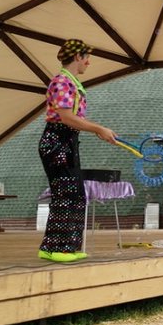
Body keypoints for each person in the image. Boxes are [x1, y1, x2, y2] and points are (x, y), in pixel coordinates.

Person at [38, 39, 117, 263]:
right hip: (57, 141)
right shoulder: (61, 82)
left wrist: (98, 131)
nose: (88, 63)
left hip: (68, 142)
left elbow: (72, 120)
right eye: (86, 58)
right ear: (77, 57)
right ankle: (57, 248)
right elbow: (66, 117)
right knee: (67, 194)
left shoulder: (71, 83)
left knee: (76, 194)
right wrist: (99, 129)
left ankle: (63, 247)